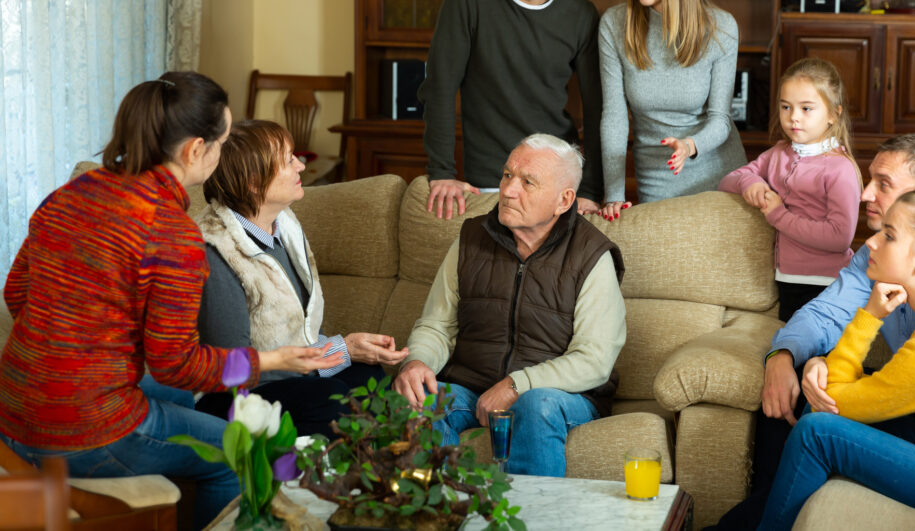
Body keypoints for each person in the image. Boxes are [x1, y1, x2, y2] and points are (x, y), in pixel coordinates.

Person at [0, 73, 340, 528]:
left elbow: (16, 294)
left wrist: (82, 348)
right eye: (220, 143)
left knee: (183, 397)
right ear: (195, 150)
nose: (222, 155)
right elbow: (175, 363)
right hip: (82, 432)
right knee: (236, 452)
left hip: (12, 408)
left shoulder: (70, 194)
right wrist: (272, 360)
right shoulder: (171, 232)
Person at [708, 132, 915, 530]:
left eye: (883, 184)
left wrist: (865, 323)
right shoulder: (908, 274)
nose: (864, 194)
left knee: (818, 429)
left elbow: (858, 396)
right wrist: (785, 356)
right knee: (810, 405)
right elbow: (824, 316)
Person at [393, 133, 627, 476]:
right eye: (506, 175)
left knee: (536, 403)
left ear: (564, 200)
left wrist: (518, 384)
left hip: (557, 398)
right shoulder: (471, 238)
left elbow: (595, 360)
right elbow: (437, 325)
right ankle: (437, 514)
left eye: (527, 182)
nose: (507, 190)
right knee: (420, 401)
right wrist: (417, 362)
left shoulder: (591, 256)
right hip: (472, 387)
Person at [195, 119, 409, 436]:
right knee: (330, 403)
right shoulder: (218, 251)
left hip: (293, 379)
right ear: (254, 182)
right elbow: (234, 369)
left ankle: (361, 478)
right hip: (233, 397)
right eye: (288, 159)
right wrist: (341, 350)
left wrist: (346, 351)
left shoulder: (284, 227)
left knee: (370, 379)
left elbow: (301, 334)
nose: (301, 165)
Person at [419, 0, 604, 220]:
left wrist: (590, 190)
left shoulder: (581, 15)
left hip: (555, 180)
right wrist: (441, 172)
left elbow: (596, 111)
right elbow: (440, 88)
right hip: (490, 178)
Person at [598, 0, 746, 220]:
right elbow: (614, 118)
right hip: (658, 174)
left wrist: (690, 146)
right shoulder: (614, 25)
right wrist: (614, 193)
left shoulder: (721, 27)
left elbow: (720, 119)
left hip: (718, 170)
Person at [719, 58, 861, 321]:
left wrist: (778, 215)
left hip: (827, 283)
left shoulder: (840, 169)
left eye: (806, 108)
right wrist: (752, 182)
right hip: (787, 279)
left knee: (815, 356)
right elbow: (729, 180)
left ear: (833, 114)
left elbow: (839, 237)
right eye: (786, 107)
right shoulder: (779, 153)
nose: (793, 117)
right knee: (792, 351)